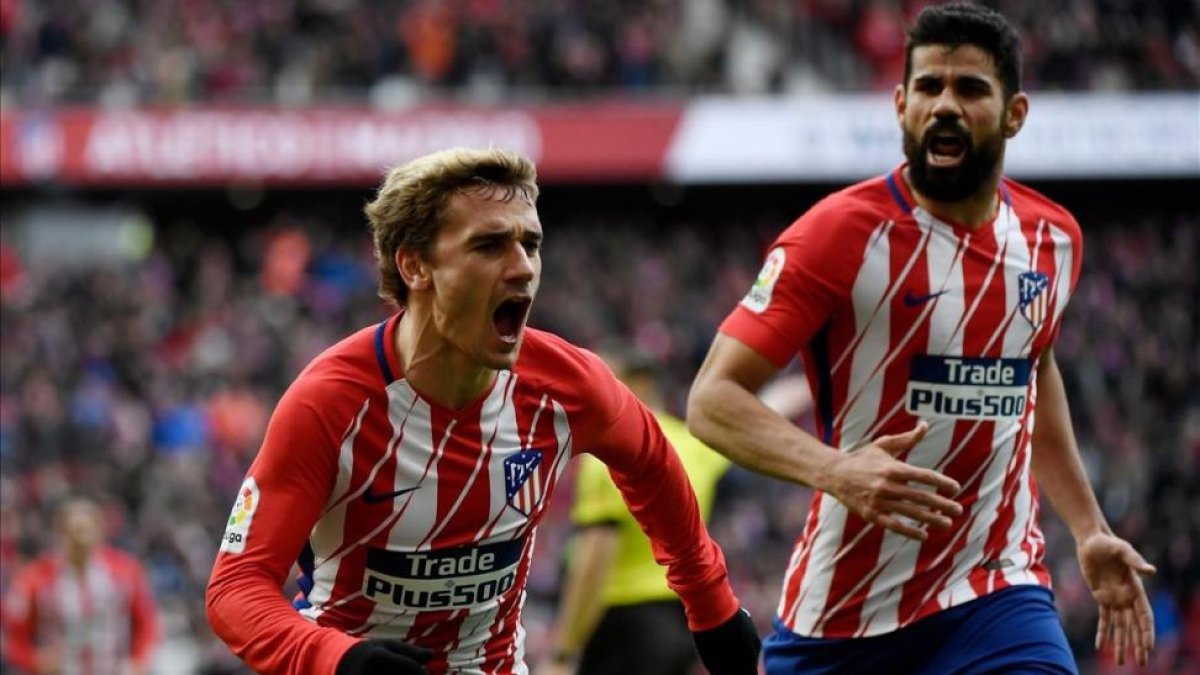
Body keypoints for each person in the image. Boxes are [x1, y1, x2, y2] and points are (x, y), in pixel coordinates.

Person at [686, 4, 1156, 674]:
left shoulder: (1054, 241)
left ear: (1015, 113)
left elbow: (1034, 367)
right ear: (902, 104)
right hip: (845, 614)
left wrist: (1088, 527)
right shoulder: (837, 235)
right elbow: (711, 398)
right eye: (930, 87)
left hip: (998, 594)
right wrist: (837, 470)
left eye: (970, 89)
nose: (945, 105)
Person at [204, 148, 761, 675]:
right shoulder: (329, 402)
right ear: (416, 266)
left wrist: (710, 604)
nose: (523, 268)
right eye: (490, 246)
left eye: (531, 245)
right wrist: (336, 658)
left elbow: (653, 465)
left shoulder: (570, 384)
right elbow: (236, 589)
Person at [543, 352, 734, 675]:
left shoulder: (610, 455)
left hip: (623, 624)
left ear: (639, 384)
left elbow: (595, 558)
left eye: (605, 381)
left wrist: (563, 652)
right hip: (682, 620)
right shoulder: (692, 445)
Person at [3, 496, 161, 675]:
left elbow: (147, 622)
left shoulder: (126, 571)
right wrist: (35, 660)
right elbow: (13, 638)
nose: (81, 539)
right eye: (74, 531)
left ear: (101, 531)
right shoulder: (34, 578)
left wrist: (139, 661)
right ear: (60, 534)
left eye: (87, 530)